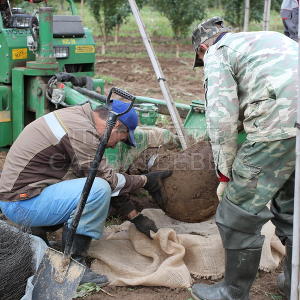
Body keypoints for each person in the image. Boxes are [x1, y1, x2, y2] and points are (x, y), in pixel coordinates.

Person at [0, 100, 171, 286]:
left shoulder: (78, 117)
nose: (114, 146)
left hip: (23, 197)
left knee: (91, 183)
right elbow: (106, 181)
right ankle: (72, 268)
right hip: (21, 204)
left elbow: (90, 174)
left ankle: (39, 232)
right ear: (116, 126)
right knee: (98, 189)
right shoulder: (82, 133)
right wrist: (146, 181)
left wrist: (134, 216)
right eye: (121, 140)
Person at [190, 17, 297, 300]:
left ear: (202, 48)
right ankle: (293, 283)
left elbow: (221, 120)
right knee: (291, 207)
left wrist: (225, 175)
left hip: (277, 127)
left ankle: (232, 292)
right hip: (293, 127)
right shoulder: (272, 39)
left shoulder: (218, 52)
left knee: (236, 212)